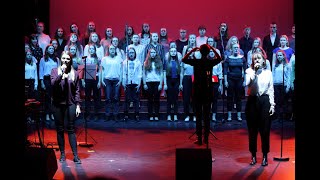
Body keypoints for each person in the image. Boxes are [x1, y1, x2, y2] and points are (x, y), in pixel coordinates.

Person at [182, 44, 222, 145]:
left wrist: (192, 51)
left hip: (198, 92)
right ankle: (206, 139)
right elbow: (219, 58)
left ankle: (199, 138)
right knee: (207, 116)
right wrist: (212, 48)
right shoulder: (210, 62)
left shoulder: (197, 62)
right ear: (208, 52)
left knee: (199, 116)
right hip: (208, 91)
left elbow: (184, 59)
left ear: (200, 52)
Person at [51, 51, 82, 164]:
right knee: (59, 129)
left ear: (70, 61)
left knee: (71, 128)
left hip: (70, 103)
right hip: (57, 104)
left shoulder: (74, 73)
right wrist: (61, 75)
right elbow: (53, 85)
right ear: (60, 59)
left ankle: (75, 155)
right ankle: (63, 154)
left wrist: (78, 105)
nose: (65, 60)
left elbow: (77, 90)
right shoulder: (55, 71)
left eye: (68, 59)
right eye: (63, 58)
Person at [244, 52, 275, 166]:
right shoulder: (249, 71)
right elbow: (248, 84)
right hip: (252, 101)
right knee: (252, 131)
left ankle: (265, 156)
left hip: (264, 101)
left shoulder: (268, 73)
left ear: (263, 60)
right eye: (254, 59)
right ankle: (253, 155)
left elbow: (270, 89)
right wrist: (255, 74)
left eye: (259, 58)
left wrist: (272, 105)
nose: (256, 60)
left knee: (265, 130)